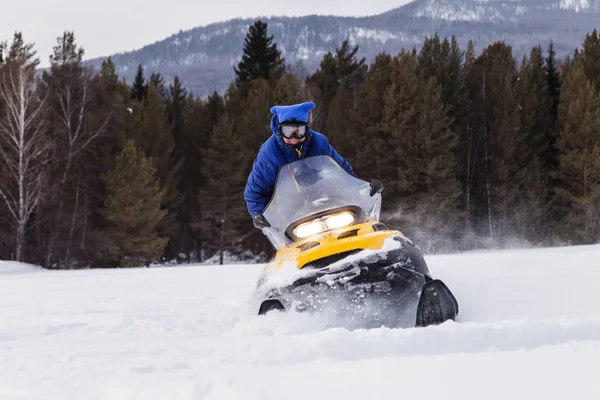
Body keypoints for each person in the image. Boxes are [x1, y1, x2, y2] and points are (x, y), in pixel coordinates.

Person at [244, 101, 354, 227]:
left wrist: (358, 188)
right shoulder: (269, 153)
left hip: (324, 203)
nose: (294, 137)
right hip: (289, 216)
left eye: (299, 131)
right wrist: (258, 214)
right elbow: (255, 190)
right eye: (288, 131)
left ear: (307, 130)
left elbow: (342, 169)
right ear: (280, 131)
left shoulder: (319, 142)